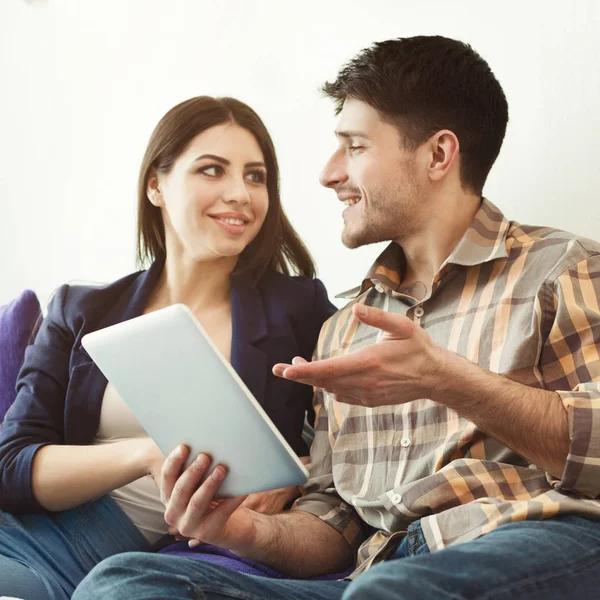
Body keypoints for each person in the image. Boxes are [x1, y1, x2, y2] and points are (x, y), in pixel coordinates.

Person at [73, 35, 600, 600]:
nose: (327, 174)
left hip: (536, 539)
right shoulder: (344, 329)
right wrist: (244, 530)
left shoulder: (559, 268)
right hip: (374, 572)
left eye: (353, 147)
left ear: (439, 155)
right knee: (124, 581)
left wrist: (446, 379)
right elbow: (336, 523)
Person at [0, 95, 335, 600]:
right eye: (212, 170)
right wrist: (147, 455)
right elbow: (12, 465)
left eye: (255, 176)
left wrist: (298, 476)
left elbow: (366, 446)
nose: (239, 193)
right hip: (29, 535)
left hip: (135, 558)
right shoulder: (80, 308)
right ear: (156, 185)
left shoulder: (300, 309)